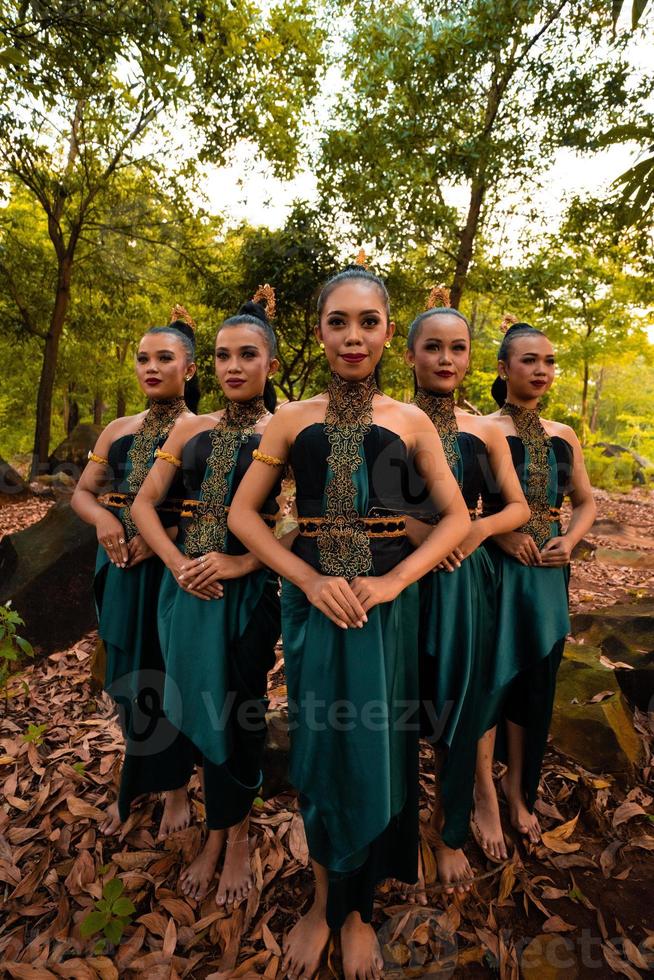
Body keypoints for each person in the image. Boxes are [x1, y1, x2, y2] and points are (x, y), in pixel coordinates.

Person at [228, 264, 470, 980]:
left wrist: (393, 580)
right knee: (322, 752)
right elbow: (244, 513)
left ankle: (361, 911)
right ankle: (322, 899)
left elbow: (455, 517)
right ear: (320, 331)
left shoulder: (412, 419)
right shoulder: (291, 418)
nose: (354, 336)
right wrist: (305, 576)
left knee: (380, 750)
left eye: (369, 322)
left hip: (386, 614)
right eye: (340, 322)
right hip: (312, 609)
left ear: (389, 332)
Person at [132, 287, 282, 907]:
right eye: (223, 356)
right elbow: (143, 503)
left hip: (249, 596)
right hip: (184, 595)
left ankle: (236, 838)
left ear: (271, 364)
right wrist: (178, 564)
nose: (233, 368)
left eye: (248, 356)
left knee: (239, 714)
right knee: (189, 706)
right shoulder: (192, 427)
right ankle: (212, 827)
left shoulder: (289, 427)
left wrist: (240, 559)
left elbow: (307, 520)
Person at [405, 287, 530, 886]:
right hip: (400, 575)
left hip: (463, 581)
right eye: (433, 347)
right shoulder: (386, 422)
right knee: (402, 702)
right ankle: (396, 824)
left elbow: (518, 508)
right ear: (409, 356)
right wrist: (424, 534)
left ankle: (450, 821)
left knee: (460, 701)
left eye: (457, 348)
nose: (446, 359)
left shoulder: (486, 431)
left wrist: (474, 531)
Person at [71, 306, 199, 838]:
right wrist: (102, 517)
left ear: (189, 370)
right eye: (143, 358)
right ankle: (136, 777)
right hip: (119, 563)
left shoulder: (204, 430)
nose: (151, 367)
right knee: (127, 674)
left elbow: (216, 510)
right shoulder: (118, 429)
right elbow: (83, 492)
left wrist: (162, 538)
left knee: (169, 673)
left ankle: (176, 789)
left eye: (164, 358)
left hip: (172, 566)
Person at [473, 319, 596, 850]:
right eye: (529, 360)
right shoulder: (480, 429)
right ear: (503, 369)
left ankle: (517, 787)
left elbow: (587, 503)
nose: (541, 370)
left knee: (538, 678)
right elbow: (462, 508)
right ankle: (481, 794)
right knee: (491, 678)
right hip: (495, 567)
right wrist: (500, 538)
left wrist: (570, 539)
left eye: (548, 361)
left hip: (549, 570)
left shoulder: (565, 435)